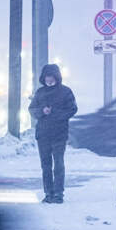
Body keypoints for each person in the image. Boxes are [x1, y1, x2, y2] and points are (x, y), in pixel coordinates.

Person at [29, 64, 77, 204]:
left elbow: (72, 109)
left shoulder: (66, 92)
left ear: (56, 77)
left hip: (59, 134)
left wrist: (54, 113)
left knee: (59, 164)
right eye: (46, 77)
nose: (49, 80)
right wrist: (41, 112)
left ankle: (58, 193)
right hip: (43, 134)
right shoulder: (40, 92)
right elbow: (32, 109)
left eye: (51, 77)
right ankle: (48, 193)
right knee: (45, 165)